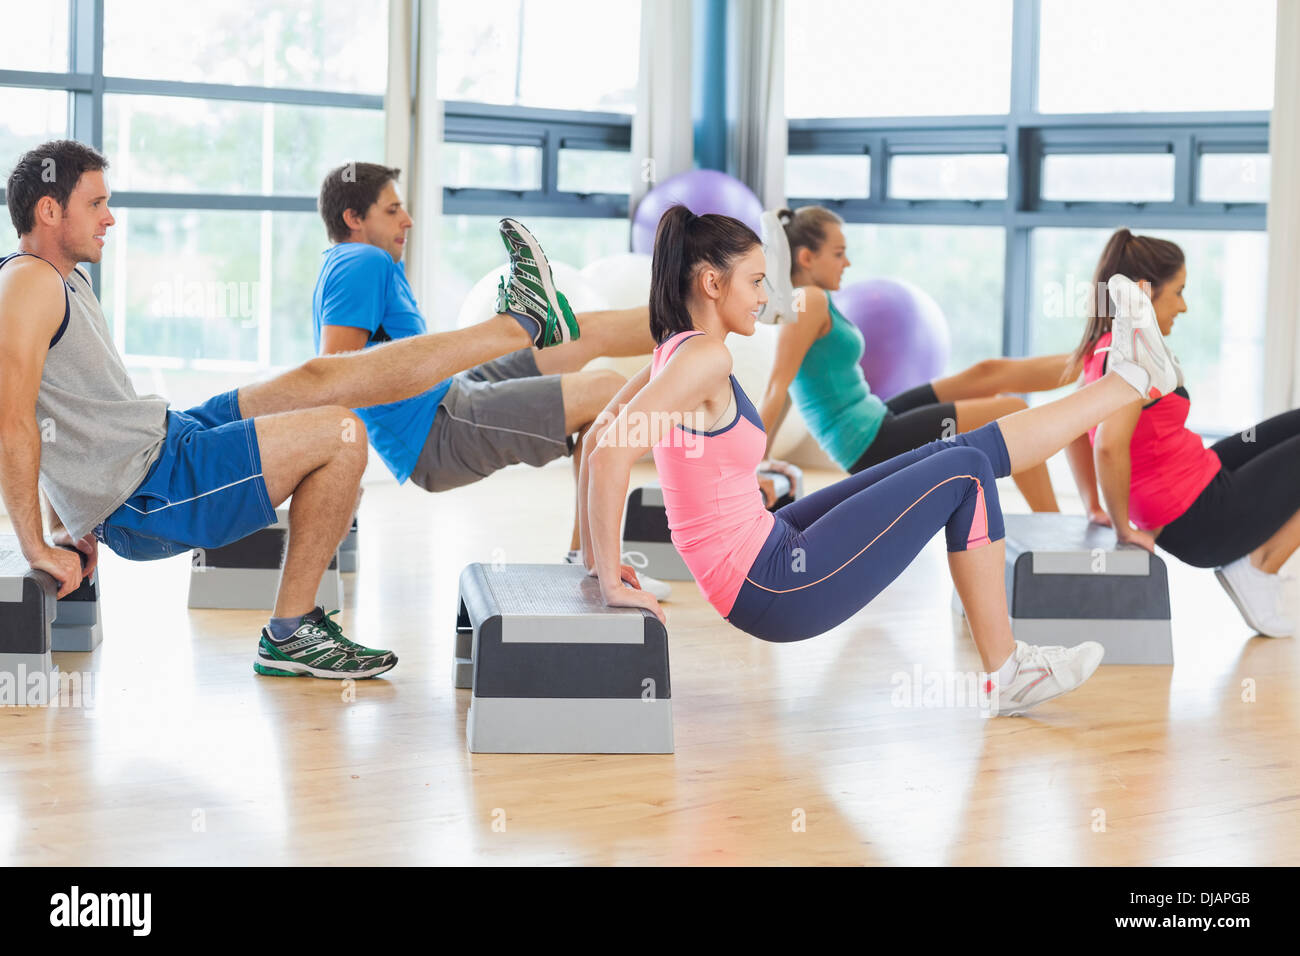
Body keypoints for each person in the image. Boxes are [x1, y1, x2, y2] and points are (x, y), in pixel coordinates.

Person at [0, 140, 576, 680]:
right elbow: (14, 418)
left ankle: (522, 322)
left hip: (166, 442)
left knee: (322, 378)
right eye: (96, 203)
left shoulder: (61, 278)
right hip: (151, 489)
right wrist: (38, 542)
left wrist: (65, 523)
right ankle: (291, 632)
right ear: (49, 210)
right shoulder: (28, 283)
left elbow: (59, 417)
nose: (110, 218)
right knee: (344, 434)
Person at [575, 206, 1182, 716]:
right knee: (965, 472)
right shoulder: (704, 359)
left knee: (952, 453)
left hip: (766, 550)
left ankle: (1126, 380)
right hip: (773, 583)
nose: (766, 297)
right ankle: (1008, 671)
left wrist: (595, 560)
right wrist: (606, 577)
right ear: (712, 283)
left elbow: (600, 438)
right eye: (756, 282)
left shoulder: (675, 353)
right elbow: (607, 457)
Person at [310, 163, 671, 599]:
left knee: (576, 330)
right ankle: (593, 563)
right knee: (603, 390)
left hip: (448, 392)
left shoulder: (356, 263)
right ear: (354, 219)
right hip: (436, 431)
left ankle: (687, 312)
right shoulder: (362, 260)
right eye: (392, 210)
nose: (407, 220)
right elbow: (334, 373)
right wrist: (335, 471)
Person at [758, 205, 1075, 513]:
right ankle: (1049, 525)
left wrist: (764, 454)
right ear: (806, 257)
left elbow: (786, 388)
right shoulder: (807, 301)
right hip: (871, 442)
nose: (848, 262)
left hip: (877, 418)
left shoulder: (814, 299)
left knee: (987, 372)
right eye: (839, 253)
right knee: (1013, 411)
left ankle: (1089, 361)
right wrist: (752, 464)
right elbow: (778, 386)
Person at [1069, 228, 1300, 638]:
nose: (1184, 306)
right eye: (1177, 292)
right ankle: (1259, 568)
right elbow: (1106, 445)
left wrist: (1093, 505)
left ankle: (1254, 565)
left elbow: (1073, 428)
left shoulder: (1106, 346)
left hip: (1196, 483)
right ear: (1144, 292)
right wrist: (1123, 528)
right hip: (1200, 519)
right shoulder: (1130, 356)